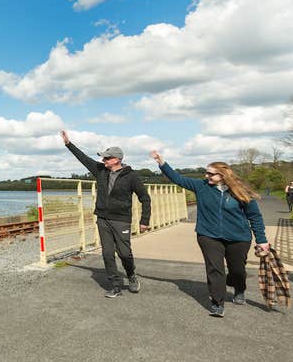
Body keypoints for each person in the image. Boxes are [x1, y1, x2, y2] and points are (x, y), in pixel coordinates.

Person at [150, 150, 269, 318]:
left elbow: (255, 217)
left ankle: (239, 288)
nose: (206, 176)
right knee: (215, 269)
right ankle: (217, 303)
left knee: (237, 270)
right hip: (209, 235)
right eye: (206, 173)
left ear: (222, 175)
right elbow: (178, 179)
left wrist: (262, 240)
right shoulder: (201, 186)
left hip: (239, 237)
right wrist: (162, 163)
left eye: (210, 174)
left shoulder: (240, 191)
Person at [61, 131, 151, 298]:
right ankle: (115, 286)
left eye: (106, 158)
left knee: (124, 253)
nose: (103, 161)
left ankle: (131, 275)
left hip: (121, 220)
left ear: (117, 159)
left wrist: (144, 220)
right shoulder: (100, 171)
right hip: (103, 218)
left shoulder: (131, 177)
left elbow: (145, 198)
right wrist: (69, 144)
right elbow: (84, 159)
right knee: (107, 253)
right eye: (103, 158)